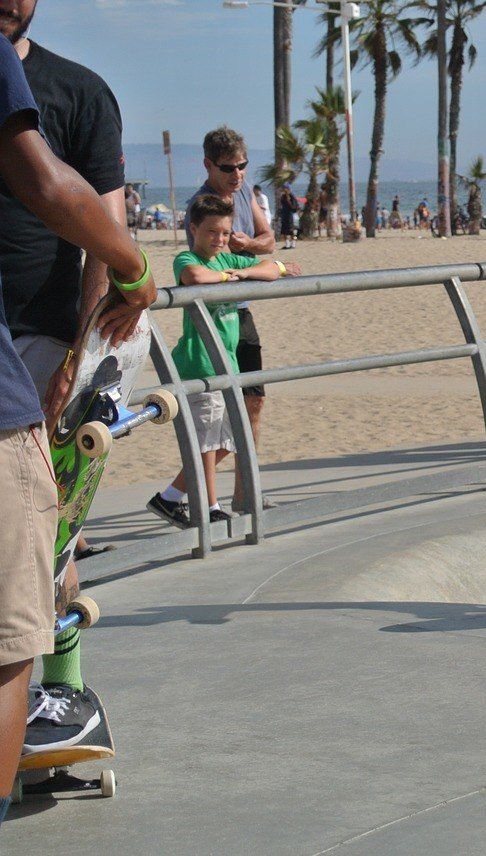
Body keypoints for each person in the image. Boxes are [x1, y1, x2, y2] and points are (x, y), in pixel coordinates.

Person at [0, 34, 156, 825]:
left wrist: (84, 347)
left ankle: (58, 690)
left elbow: (97, 211)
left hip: (52, 335)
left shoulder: (79, 90)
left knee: (49, 527)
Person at [147, 196, 300, 529]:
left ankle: (171, 497)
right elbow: (194, 277)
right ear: (194, 229)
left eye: (225, 232)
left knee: (230, 438)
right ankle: (210, 505)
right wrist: (230, 279)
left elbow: (271, 268)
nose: (218, 239)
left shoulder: (226, 258)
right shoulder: (188, 256)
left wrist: (241, 271)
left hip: (225, 364)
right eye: (211, 231)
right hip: (199, 364)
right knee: (207, 441)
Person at [185, 126, 277, 512]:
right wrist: (238, 264)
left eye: (242, 165)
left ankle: (244, 492)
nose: (237, 174)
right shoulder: (201, 207)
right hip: (212, 319)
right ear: (208, 165)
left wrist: (248, 247)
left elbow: (269, 240)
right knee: (213, 418)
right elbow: (200, 264)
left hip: (242, 313)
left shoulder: (244, 191)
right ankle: (193, 497)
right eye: (228, 168)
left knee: (252, 403)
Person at [277, 183, 298, 249]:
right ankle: (287, 244)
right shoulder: (283, 196)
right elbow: (281, 205)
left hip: (290, 215)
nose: (284, 190)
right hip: (284, 214)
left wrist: (289, 201)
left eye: (285, 188)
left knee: (292, 231)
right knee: (284, 230)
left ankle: (293, 243)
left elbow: (294, 207)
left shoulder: (292, 196)